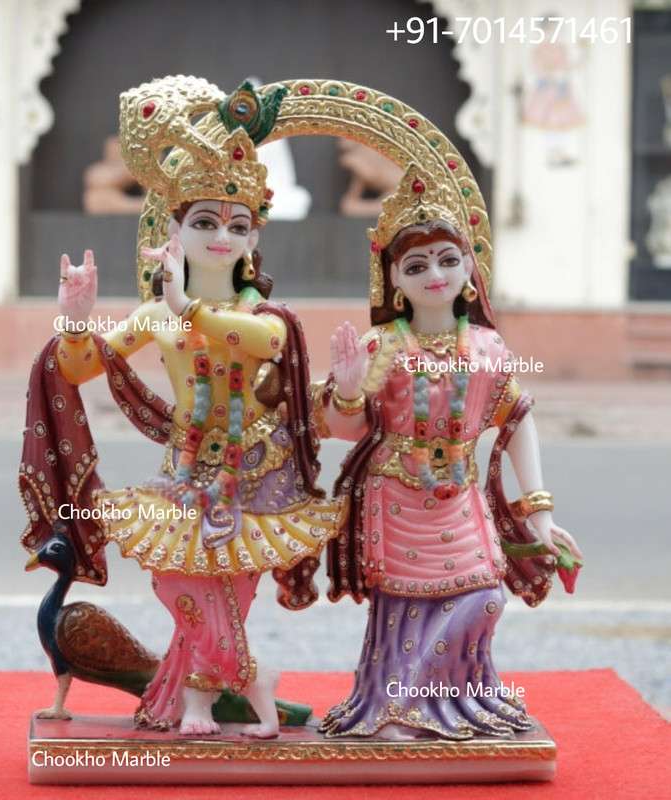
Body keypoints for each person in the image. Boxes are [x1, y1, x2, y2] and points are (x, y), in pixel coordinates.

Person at [47, 75, 342, 738]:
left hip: (255, 476)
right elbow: (82, 368)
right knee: (174, 585)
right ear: (174, 230)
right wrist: (75, 319)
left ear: (252, 240)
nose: (220, 236)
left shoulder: (263, 316)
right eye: (204, 222)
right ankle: (242, 683)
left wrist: (187, 307)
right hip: (186, 474)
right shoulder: (158, 313)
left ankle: (205, 699)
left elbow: (257, 342)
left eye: (236, 225)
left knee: (230, 592)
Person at [313, 165, 583, 740]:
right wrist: (345, 388)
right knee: (405, 609)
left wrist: (540, 512)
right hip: (396, 498)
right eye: (415, 265)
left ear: (468, 271)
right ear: (393, 280)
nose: (433, 274)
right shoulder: (380, 347)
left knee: (485, 597)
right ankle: (394, 708)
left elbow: (517, 418)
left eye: (446, 260)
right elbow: (343, 428)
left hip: (459, 498)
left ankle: (434, 704)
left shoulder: (486, 347)